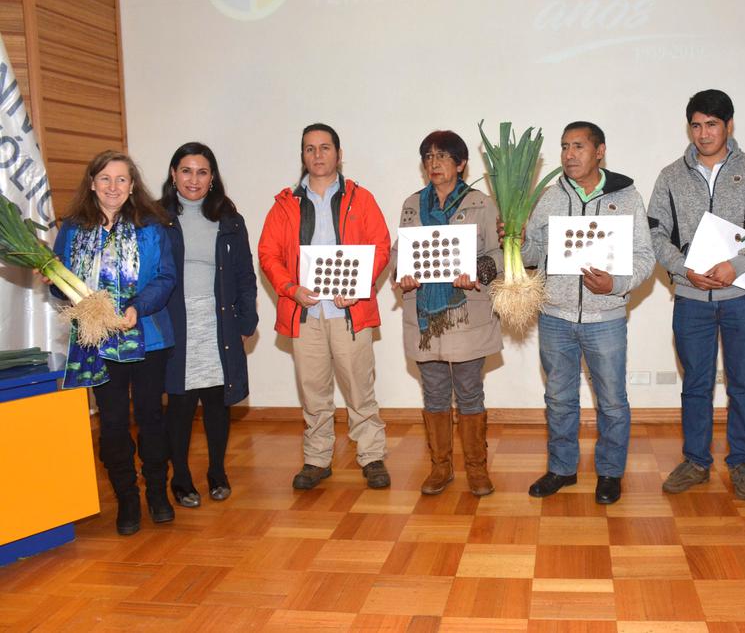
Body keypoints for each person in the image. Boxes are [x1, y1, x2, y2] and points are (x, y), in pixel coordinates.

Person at [647, 89, 745, 501]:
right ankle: (695, 461)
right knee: (696, 384)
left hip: (741, 299)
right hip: (691, 298)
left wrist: (738, 266)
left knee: (743, 384)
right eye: (696, 124)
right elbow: (655, 234)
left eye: (712, 124)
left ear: (728, 125)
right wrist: (682, 268)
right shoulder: (671, 175)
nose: (704, 133)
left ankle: (742, 462)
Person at [518, 121, 654, 505]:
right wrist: (516, 237)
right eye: (564, 147)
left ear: (600, 151)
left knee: (612, 401)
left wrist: (615, 284)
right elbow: (532, 257)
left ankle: (610, 473)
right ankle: (562, 468)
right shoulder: (548, 197)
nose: (569, 154)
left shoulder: (627, 197)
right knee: (559, 399)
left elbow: (645, 256)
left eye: (578, 146)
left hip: (605, 318)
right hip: (555, 315)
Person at [258, 123, 392, 490]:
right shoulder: (286, 203)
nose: (317, 155)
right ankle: (317, 459)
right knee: (313, 391)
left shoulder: (360, 199)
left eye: (325, 147)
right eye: (309, 149)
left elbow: (381, 245)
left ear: (339, 153)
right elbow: (268, 253)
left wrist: (360, 286)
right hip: (306, 313)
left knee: (359, 389)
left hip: (350, 311)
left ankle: (372, 456)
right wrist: (289, 289)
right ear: (302, 155)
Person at [51, 150, 176, 536]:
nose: (113, 187)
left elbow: (166, 278)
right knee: (115, 423)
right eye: (105, 178)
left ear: (132, 185)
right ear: (92, 183)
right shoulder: (72, 230)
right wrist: (55, 282)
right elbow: (61, 286)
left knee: (151, 418)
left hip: (149, 338)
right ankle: (126, 497)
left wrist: (138, 308)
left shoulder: (151, 227)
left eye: (121, 179)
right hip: (99, 343)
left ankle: (157, 493)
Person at [390, 131, 502, 497]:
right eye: (428, 157)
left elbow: (500, 253)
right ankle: (440, 468)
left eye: (442, 156)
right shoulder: (411, 204)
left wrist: (478, 270)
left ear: (461, 163)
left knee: (470, 394)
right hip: (424, 316)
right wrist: (400, 274)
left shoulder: (481, 203)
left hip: (467, 313)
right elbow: (399, 253)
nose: (434, 163)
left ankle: (476, 469)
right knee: (434, 396)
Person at [160, 142, 258, 507]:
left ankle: (218, 472)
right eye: (186, 170)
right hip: (176, 322)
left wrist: (247, 318)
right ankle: (181, 478)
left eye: (202, 172)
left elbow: (245, 276)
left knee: (218, 401)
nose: (193, 179)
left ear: (212, 177)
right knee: (181, 405)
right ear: (173, 174)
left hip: (219, 320)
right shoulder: (156, 219)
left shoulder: (230, 219)